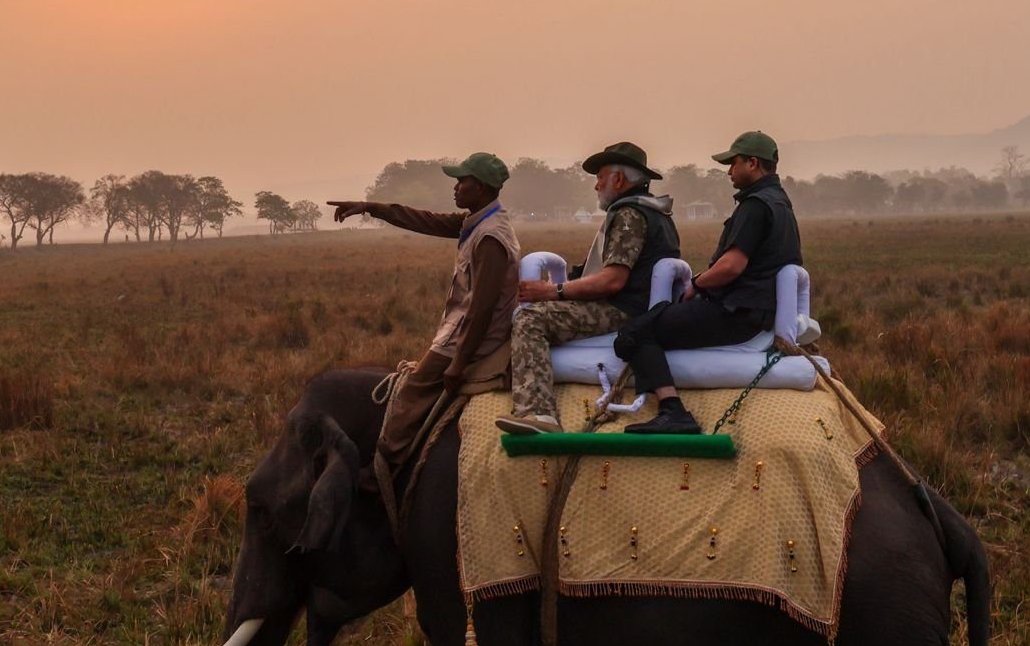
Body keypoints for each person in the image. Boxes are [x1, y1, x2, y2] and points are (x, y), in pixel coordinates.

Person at [327, 152, 519, 490]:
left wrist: (458, 363)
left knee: (412, 391)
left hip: (472, 338)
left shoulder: (491, 237)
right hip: (462, 330)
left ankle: (382, 472)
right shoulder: (475, 222)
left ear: (484, 188)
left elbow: (481, 310)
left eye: (463, 182)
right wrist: (370, 207)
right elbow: (424, 220)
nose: (456, 188)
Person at [614, 130, 803, 435]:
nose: (729, 171)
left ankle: (672, 410)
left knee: (635, 332)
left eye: (734, 163)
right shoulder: (780, 202)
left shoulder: (755, 205)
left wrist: (698, 285)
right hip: (756, 311)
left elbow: (732, 266)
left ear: (752, 163)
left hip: (735, 312)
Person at [496, 142, 680, 435]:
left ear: (618, 180)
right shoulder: (656, 212)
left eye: (600, 178)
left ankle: (538, 414)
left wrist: (552, 291)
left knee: (530, 319)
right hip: (642, 307)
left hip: (624, 309)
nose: (596, 186)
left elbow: (613, 281)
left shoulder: (629, 215)